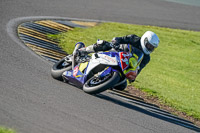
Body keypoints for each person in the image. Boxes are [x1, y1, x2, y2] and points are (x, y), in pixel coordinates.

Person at [77, 31, 159, 82]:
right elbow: (119, 39)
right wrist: (115, 42)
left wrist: (133, 77)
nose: (149, 48)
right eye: (149, 45)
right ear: (144, 40)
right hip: (117, 52)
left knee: (123, 85)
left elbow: (139, 68)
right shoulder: (134, 39)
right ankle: (83, 51)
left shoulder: (146, 58)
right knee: (104, 44)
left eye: (152, 47)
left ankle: (106, 81)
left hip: (125, 65)